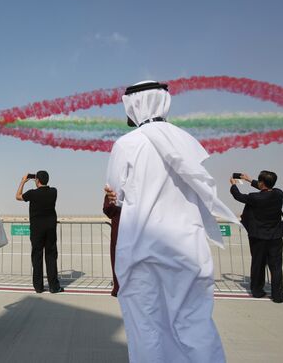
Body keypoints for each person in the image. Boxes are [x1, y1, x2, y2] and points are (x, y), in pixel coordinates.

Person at [105, 81, 239, 362]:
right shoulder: (186, 140)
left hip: (142, 252)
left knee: (147, 328)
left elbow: (114, 198)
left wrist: (111, 199)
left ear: (134, 104)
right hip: (189, 250)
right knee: (195, 326)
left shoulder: (127, 144)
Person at [230, 171, 283, 303]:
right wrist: (249, 180)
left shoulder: (255, 198)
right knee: (276, 266)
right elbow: (266, 189)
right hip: (275, 237)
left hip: (258, 237)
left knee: (258, 264)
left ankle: (257, 291)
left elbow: (238, 196)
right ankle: (278, 296)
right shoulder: (279, 193)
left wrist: (233, 185)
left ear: (262, 183)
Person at [16, 171, 63, 293]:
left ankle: (38, 286)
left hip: (37, 230)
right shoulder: (54, 191)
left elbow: (18, 196)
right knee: (51, 256)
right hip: (50, 229)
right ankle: (54, 286)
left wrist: (23, 182)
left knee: (37, 257)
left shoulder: (32, 193)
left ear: (37, 180)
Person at [102, 185, 120, 297]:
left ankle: (118, 287)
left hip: (119, 232)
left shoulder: (114, 192)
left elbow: (108, 210)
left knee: (117, 260)